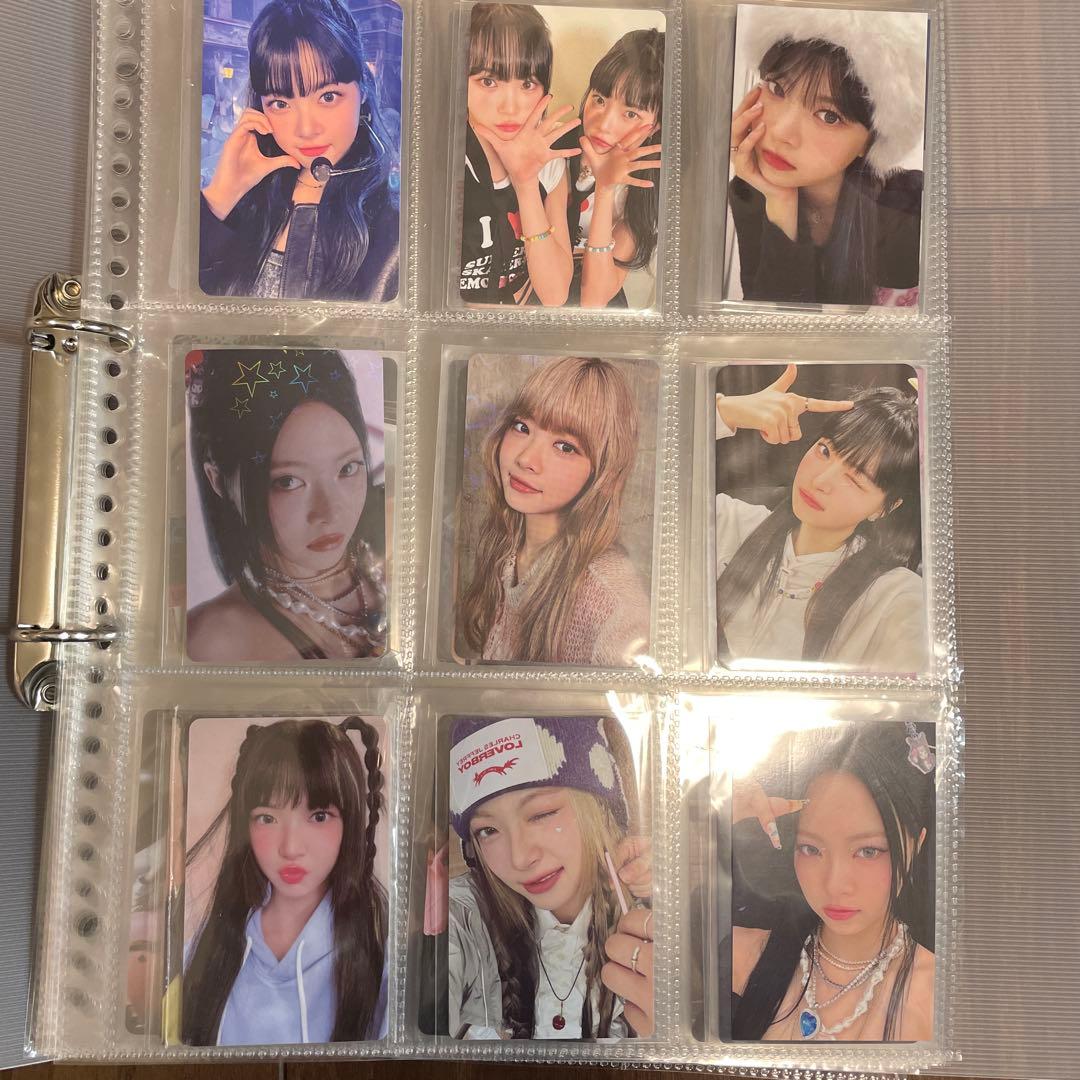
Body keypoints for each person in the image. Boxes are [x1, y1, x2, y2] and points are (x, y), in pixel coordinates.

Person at [182, 717, 388, 1045]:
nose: (290, 848)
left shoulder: (382, 951)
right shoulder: (208, 949)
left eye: (318, 816)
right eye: (267, 818)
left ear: (350, 821)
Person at [444, 715, 653, 1039]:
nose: (520, 857)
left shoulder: (653, 916)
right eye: (488, 830)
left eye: (541, 814)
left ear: (598, 808)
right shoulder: (463, 918)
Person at [729, 720, 936, 1041]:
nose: (834, 885)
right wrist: (707, 821)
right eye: (811, 849)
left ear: (917, 844)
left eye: (868, 851)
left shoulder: (939, 995)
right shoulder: (744, 955)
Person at [715, 366, 924, 671]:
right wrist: (725, 412)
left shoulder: (896, 598)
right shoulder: (726, 523)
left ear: (885, 508)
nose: (820, 481)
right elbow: (642, 495)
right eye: (825, 451)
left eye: (855, 479)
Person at [186, 348, 387, 662]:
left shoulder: (403, 567)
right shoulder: (213, 641)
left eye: (347, 469)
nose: (329, 513)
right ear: (219, 480)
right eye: (288, 482)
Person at [199, 0, 399, 301]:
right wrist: (221, 195)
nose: (306, 129)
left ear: (362, 91)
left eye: (328, 96)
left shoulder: (394, 228)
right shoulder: (248, 202)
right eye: (281, 103)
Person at [457, 355, 650, 666]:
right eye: (522, 427)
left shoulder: (613, 606)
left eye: (565, 447)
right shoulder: (506, 547)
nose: (526, 459)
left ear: (604, 474)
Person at [727, 7, 926, 306]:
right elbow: (769, 327)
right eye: (777, 89)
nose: (781, 132)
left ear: (871, 141)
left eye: (829, 116)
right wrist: (780, 203)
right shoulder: (753, 193)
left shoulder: (914, 205)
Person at [459, 4, 581, 306]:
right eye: (488, 81)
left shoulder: (549, 158)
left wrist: (526, 184)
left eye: (527, 84)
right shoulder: (442, 155)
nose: (510, 106)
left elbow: (554, 294)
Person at [562, 29, 664, 308]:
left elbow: (594, 299)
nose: (604, 124)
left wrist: (605, 189)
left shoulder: (646, 187)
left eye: (630, 113)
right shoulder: (554, 148)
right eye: (599, 99)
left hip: (595, 308)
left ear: (655, 125)